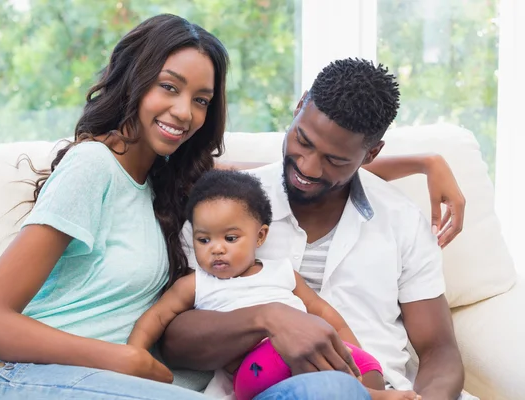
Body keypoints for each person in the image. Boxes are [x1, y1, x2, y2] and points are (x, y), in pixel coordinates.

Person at [0, 13, 464, 400]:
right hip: (24, 379)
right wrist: (127, 360)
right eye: (169, 87)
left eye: (201, 99)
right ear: (134, 81)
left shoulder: (175, 183)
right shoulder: (95, 167)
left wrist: (426, 162)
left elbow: (321, 176)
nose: (183, 111)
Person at [163, 58, 467, 400]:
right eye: (303, 141)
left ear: (371, 155)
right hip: (264, 388)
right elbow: (175, 342)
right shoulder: (223, 208)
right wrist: (268, 319)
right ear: (298, 107)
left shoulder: (402, 219)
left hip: (383, 389)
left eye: (335, 160)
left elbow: (440, 351)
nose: (307, 167)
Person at [129, 169, 422, 400]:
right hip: (256, 372)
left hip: (307, 356)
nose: (216, 249)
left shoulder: (282, 273)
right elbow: (156, 317)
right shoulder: (197, 283)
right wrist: (136, 353)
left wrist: (347, 352)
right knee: (289, 351)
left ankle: (368, 391)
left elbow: (326, 315)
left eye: (230, 238)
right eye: (204, 240)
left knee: (368, 364)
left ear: (260, 237)